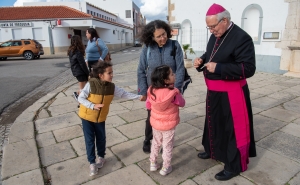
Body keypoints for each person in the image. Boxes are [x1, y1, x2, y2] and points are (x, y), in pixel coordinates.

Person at [193, 3, 257, 181]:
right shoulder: (215, 35)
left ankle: (233, 165)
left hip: (232, 93)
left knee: (231, 129)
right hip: (214, 92)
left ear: (225, 21)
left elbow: (249, 68)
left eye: (213, 26)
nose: (211, 30)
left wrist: (219, 68)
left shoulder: (242, 38)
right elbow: (211, 54)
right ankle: (212, 150)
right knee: (214, 122)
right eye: (209, 27)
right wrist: (201, 60)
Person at [78, 61, 143, 176]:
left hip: (100, 118)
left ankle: (101, 157)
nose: (112, 75)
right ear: (100, 75)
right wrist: (92, 105)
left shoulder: (111, 87)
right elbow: (81, 98)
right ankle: (92, 162)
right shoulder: (91, 84)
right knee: (90, 140)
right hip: (87, 117)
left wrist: (139, 97)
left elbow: (124, 94)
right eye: (109, 73)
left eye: (112, 72)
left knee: (101, 138)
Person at [137, 20, 185, 153]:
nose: (162, 38)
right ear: (151, 37)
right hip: (153, 92)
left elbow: (180, 68)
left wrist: (178, 90)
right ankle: (148, 139)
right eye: (158, 36)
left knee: (169, 118)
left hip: (170, 91)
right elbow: (141, 70)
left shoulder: (174, 45)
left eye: (164, 34)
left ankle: (166, 143)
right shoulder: (147, 48)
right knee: (151, 117)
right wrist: (143, 91)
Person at [146, 65, 185, 176]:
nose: (174, 75)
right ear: (166, 80)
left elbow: (148, 105)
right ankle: (165, 167)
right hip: (169, 125)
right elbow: (182, 103)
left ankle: (153, 163)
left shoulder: (151, 90)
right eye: (172, 74)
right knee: (167, 146)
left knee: (155, 142)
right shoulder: (174, 92)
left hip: (156, 123)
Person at [67, 35, 89, 102]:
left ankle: (78, 96)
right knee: (82, 88)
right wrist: (88, 73)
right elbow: (82, 64)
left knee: (83, 87)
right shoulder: (78, 52)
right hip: (80, 72)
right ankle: (79, 99)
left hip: (76, 71)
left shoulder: (71, 51)